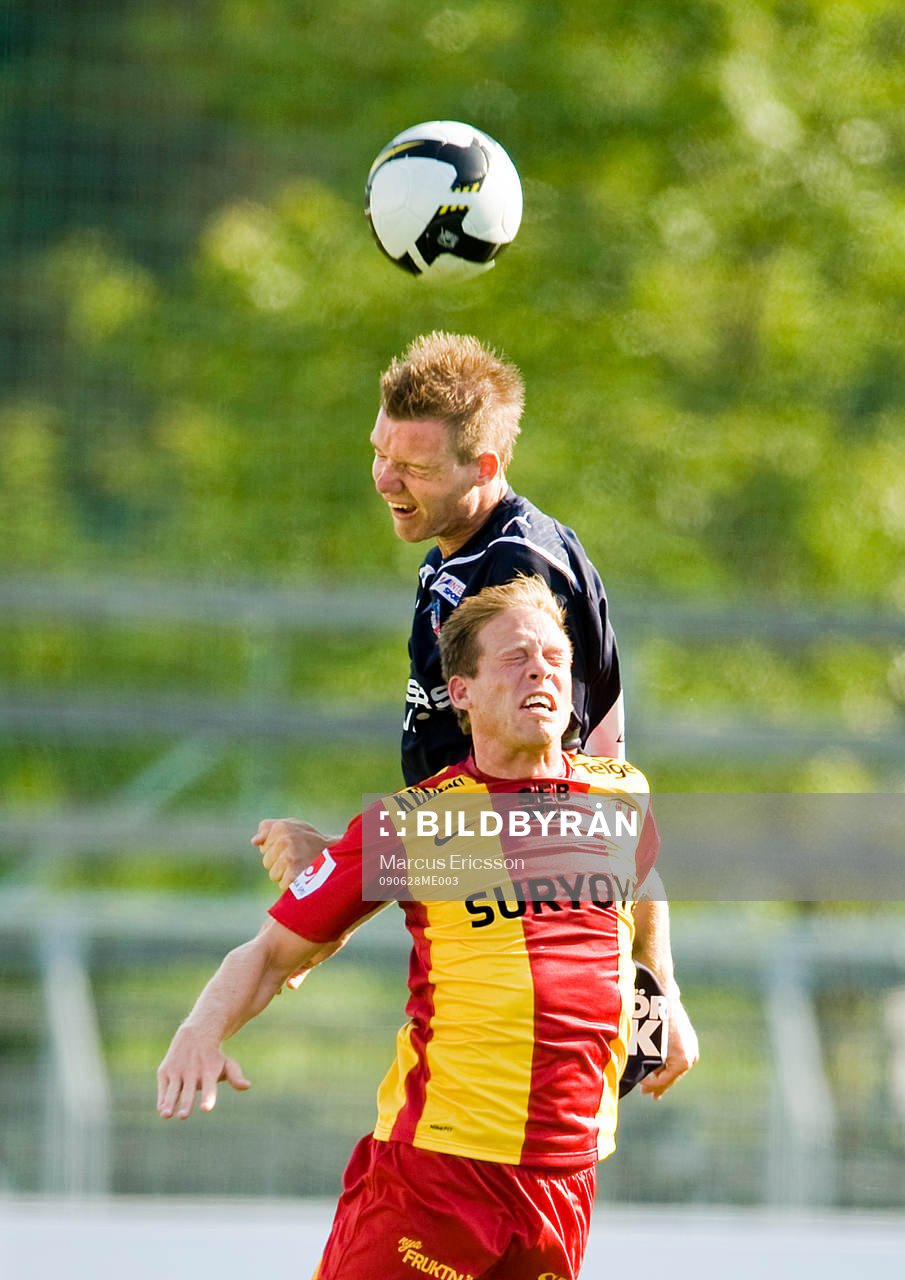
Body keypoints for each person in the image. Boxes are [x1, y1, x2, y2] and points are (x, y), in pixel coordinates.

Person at [158, 577, 698, 1280]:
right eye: (514, 658)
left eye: (555, 658)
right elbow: (268, 955)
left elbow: (645, 889)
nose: (541, 670)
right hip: (439, 1178)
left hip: (565, 1184)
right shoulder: (416, 824)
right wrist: (200, 1030)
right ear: (461, 691)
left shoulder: (620, 794)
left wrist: (664, 999)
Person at [257, 331, 624, 890]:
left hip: (522, 919)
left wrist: (343, 865)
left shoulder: (513, 572)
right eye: (379, 452)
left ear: (482, 466)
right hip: (479, 894)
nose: (383, 479)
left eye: (414, 467)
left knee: (254, 964)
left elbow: (534, 811)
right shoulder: (454, 559)